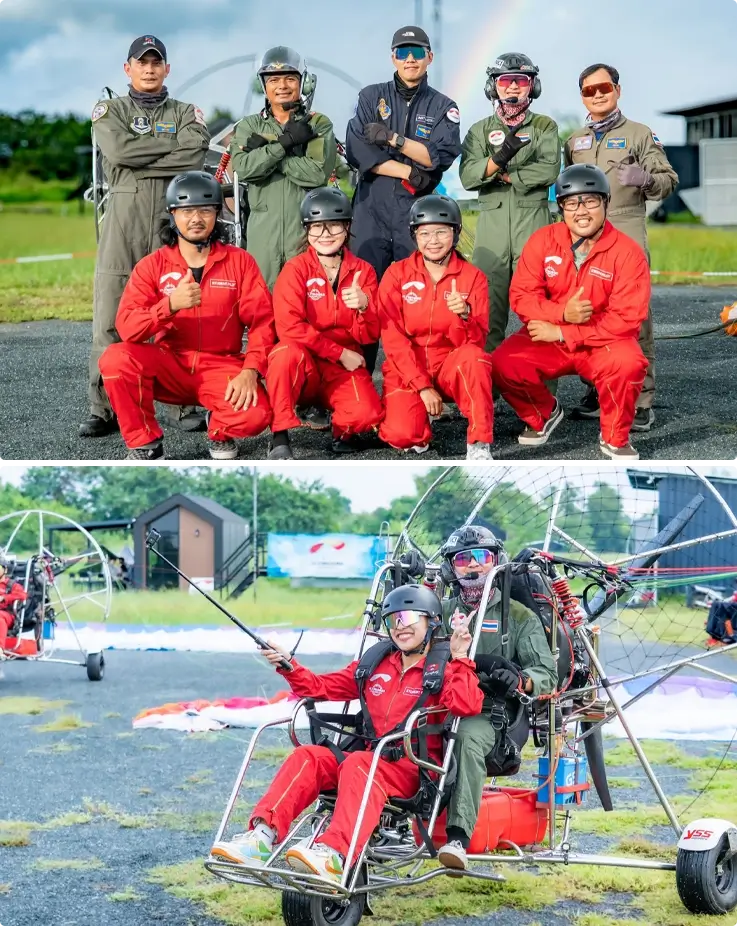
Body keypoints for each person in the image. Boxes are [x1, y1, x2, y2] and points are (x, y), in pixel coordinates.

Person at [210, 583, 483, 882]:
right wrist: (288, 665)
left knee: (358, 763)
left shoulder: (443, 666)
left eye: (408, 619)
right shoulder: (376, 664)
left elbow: (466, 705)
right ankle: (261, 837)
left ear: (431, 621)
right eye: (393, 620)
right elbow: (319, 687)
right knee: (309, 756)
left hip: (415, 769)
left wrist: (459, 658)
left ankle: (335, 855)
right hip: (369, 761)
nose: (400, 628)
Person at [81, 34, 210, 439]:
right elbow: (117, 153)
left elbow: (194, 154)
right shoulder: (110, 109)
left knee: (180, 312)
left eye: (157, 62)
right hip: (123, 217)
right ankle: (104, 408)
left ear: (167, 69)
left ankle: (185, 404)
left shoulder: (187, 110)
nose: (150, 68)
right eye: (142, 62)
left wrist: (144, 151)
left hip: (170, 221)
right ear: (128, 68)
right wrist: (167, 147)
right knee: (111, 315)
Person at [98, 171, 275, 463]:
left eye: (205, 210)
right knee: (115, 359)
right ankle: (146, 443)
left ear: (218, 213)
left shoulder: (240, 262)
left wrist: (251, 370)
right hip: (170, 364)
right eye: (186, 211)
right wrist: (167, 306)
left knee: (257, 415)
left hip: (221, 366)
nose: (196, 218)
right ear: (173, 214)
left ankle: (218, 429)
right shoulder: (152, 265)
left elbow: (262, 323)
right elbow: (127, 328)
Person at [492, 164, 650, 465]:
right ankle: (544, 413)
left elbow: (628, 318)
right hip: (550, 334)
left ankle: (615, 438)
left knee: (629, 362)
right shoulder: (543, 240)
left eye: (590, 200)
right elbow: (522, 296)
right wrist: (561, 313)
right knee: (503, 362)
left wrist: (566, 332)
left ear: (606, 202)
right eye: (571, 202)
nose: (581, 210)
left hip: (602, 339)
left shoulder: (628, 252)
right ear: (561, 207)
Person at [435, 526, 557, 871]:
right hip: (438, 703)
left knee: (465, 738)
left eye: (481, 558)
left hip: (492, 714)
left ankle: (457, 837)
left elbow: (547, 675)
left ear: (496, 563)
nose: (473, 568)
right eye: (463, 560)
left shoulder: (518, 617)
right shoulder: (440, 612)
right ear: (450, 569)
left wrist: (520, 679)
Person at [564, 63, 678, 431]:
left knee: (635, 317)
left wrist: (645, 178)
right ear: (582, 95)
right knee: (589, 313)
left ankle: (641, 400)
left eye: (604, 87)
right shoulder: (575, 141)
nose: (597, 94)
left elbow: (669, 180)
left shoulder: (640, 134)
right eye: (588, 90)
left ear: (617, 89)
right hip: (584, 236)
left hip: (626, 227)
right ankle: (598, 390)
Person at [345, 24, 462, 372]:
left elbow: (438, 156)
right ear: (392, 57)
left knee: (416, 300)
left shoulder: (444, 105)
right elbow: (359, 152)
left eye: (417, 52)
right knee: (361, 300)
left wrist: (393, 139)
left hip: (417, 217)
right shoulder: (370, 96)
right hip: (370, 212)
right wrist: (408, 170)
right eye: (402, 52)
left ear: (430, 57)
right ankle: (358, 387)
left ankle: (417, 386)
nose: (410, 59)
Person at [265, 187, 383, 460]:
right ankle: (280, 435)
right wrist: (338, 352)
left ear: (347, 228)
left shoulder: (363, 271)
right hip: (306, 361)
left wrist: (364, 307)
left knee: (368, 415)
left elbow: (370, 335)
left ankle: (342, 427)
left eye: (334, 226)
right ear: (306, 230)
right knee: (284, 355)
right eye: (317, 227)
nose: (326, 235)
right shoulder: (295, 270)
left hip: (342, 366)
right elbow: (289, 328)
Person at [377, 194, 495, 463]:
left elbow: (476, 342)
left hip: (449, 366)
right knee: (403, 436)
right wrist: (421, 386)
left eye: (441, 232)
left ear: (455, 233)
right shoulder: (397, 274)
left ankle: (479, 444)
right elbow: (393, 339)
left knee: (475, 360)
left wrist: (465, 315)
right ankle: (419, 415)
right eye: (425, 233)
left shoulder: (473, 277)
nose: (433, 241)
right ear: (414, 235)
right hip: (408, 367)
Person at [459, 53, 560, 352]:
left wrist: (500, 174)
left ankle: (541, 397)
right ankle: (484, 391)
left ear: (533, 87)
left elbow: (549, 169)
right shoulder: (479, 130)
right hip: (491, 233)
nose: (513, 87)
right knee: (486, 315)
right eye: (506, 81)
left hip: (534, 226)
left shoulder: (545, 126)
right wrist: (497, 159)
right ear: (494, 87)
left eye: (521, 81)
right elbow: (468, 175)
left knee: (540, 314)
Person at [228, 46, 336, 290]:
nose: (282, 86)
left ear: (303, 82)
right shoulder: (248, 126)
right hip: (262, 233)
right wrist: (286, 144)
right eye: (273, 80)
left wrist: (268, 152)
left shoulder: (318, 123)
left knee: (307, 300)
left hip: (305, 231)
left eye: (290, 78)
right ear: (264, 85)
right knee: (261, 303)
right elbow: (244, 169)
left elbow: (316, 173)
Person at [0, 555, 27, 678]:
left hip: (7, 616)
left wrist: (4, 598)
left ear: (5, 570)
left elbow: (22, 596)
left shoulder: (12, 585)